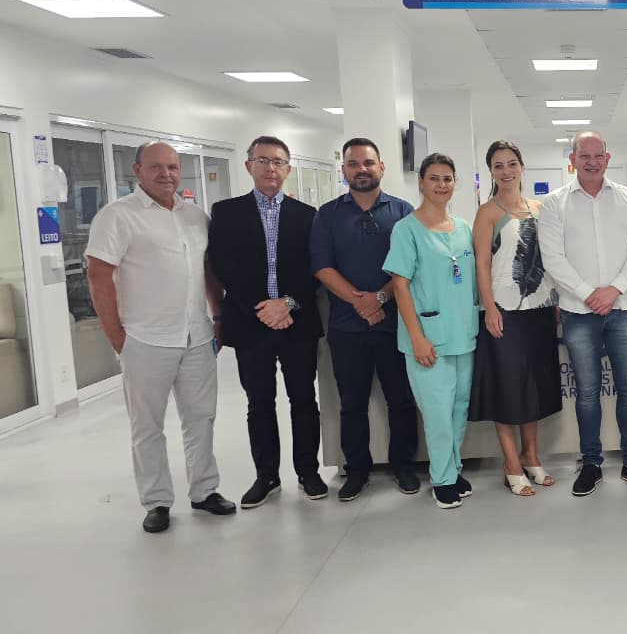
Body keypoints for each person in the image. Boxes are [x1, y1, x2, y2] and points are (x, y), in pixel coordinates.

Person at [85, 141, 236, 533]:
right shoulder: (117, 216)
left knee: (201, 418)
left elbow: (207, 272)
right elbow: (99, 277)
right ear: (137, 170)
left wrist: (217, 314)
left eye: (171, 167)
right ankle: (156, 501)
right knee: (147, 426)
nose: (165, 174)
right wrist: (118, 338)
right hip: (145, 339)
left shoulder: (195, 216)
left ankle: (204, 490)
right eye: (156, 167)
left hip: (196, 336)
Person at [208, 135, 328, 508]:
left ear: (288, 169)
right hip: (250, 323)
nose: (270, 168)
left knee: (303, 400)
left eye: (277, 162)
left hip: (297, 323)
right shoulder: (226, 212)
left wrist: (287, 304)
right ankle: (267, 477)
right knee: (259, 403)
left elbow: (315, 267)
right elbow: (223, 265)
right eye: (262, 160)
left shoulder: (308, 215)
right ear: (248, 166)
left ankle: (308, 472)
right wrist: (262, 307)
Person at [538, 131, 627, 497]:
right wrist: (590, 294)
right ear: (572, 160)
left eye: (598, 155)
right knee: (587, 393)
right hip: (578, 313)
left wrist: (614, 290)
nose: (591, 162)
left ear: (608, 158)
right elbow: (553, 258)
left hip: (623, 310)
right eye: (584, 156)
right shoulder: (554, 204)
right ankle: (591, 464)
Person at [310, 138, 419, 501]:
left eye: (368, 163)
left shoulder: (402, 211)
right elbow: (322, 267)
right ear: (344, 170)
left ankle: (404, 465)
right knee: (351, 404)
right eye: (354, 164)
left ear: (381, 167)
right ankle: (357, 469)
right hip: (347, 327)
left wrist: (381, 298)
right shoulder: (327, 215)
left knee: (400, 400)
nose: (362, 170)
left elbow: (410, 265)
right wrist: (360, 302)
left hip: (395, 325)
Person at [383, 153, 479, 509]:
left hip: (462, 334)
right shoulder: (407, 229)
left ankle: (452, 469)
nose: (441, 185)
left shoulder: (463, 228)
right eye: (434, 178)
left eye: (448, 178)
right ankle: (442, 479)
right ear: (421, 183)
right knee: (437, 413)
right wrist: (417, 337)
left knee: (458, 409)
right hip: (427, 338)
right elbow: (401, 285)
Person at [469, 140, 561, 496]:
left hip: (539, 311)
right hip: (504, 313)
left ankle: (531, 455)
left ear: (522, 166)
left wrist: (554, 299)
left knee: (533, 387)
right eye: (498, 165)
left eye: (511, 163)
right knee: (507, 388)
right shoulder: (487, 213)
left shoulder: (539, 208)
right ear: (491, 172)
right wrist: (489, 307)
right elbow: (482, 264)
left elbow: (548, 259)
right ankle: (511, 464)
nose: (506, 171)